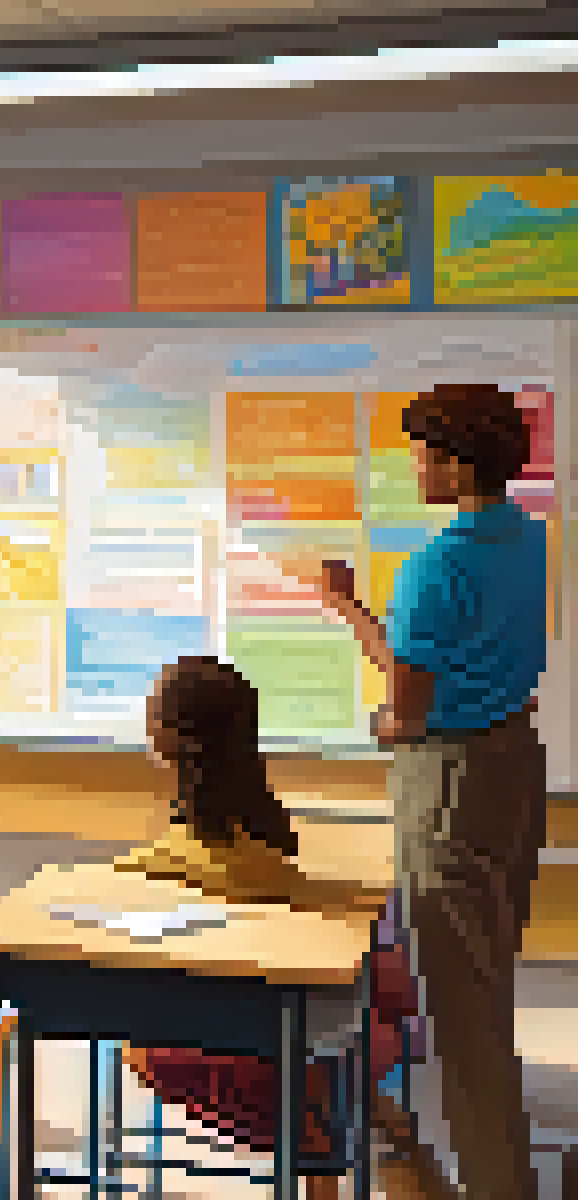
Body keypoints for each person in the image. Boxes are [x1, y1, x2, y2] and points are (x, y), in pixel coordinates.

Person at [314, 382, 549, 1200]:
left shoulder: (433, 567)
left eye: (422, 451)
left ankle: (494, 1188)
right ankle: (504, 1172)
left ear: (454, 463)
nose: (414, 465)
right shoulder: (529, 538)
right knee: (489, 998)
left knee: (459, 1021)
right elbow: (432, 663)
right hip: (514, 769)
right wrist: (351, 612)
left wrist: (378, 721)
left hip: (448, 781)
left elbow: (406, 714)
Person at [116, 656, 417, 1200]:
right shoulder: (284, 854)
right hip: (318, 1050)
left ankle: (329, 1117)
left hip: (241, 1060)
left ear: (165, 740)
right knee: (311, 1042)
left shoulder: (159, 868)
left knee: (137, 1042)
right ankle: (344, 1127)